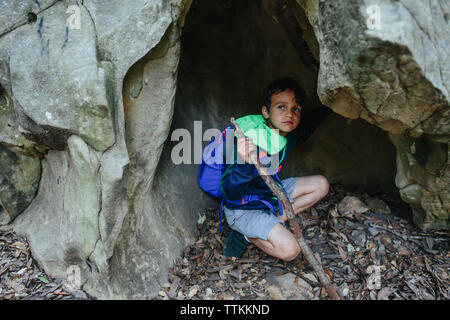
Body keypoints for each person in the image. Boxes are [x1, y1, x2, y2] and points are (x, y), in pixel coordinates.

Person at [221, 76, 332, 261]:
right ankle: (246, 235)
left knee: (321, 184)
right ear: (266, 111)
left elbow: (308, 126)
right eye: (281, 107)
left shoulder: (285, 136)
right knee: (291, 250)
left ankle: (278, 219)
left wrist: (331, 106)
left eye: (295, 109)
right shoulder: (250, 140)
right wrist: (246, 163)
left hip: (271, 194)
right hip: (244, 209)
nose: (289, 114)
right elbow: (230, 193)